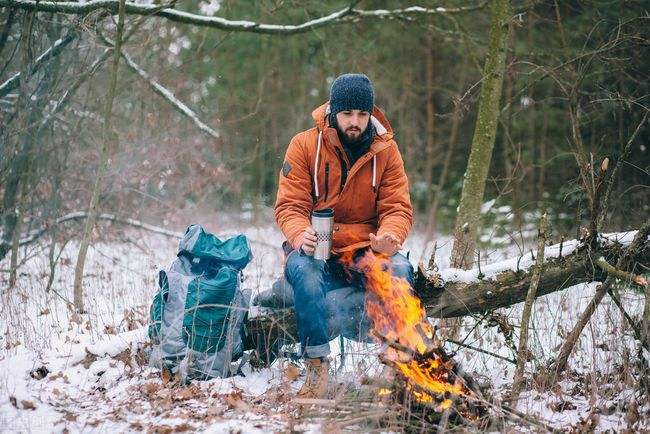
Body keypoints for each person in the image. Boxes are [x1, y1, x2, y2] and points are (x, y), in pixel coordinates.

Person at [274, 73, 414, 399]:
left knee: (401, 271)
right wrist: (299, 234)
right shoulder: (304, 145)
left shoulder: (386, 151)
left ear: (370, 113)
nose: (355, 122)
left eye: (362, 114)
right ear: (333, 111)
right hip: (316, 245)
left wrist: (390, 236)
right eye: (348, 113)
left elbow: (397, 207)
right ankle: (317, 367)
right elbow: (289, 206)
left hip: (366, 247)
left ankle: (402, 363)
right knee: (304, 274)